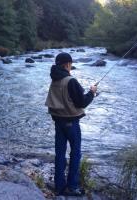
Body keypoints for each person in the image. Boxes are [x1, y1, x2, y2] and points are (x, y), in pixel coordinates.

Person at [45, 52, 97, 196]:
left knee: (60, 154)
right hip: (71, 123)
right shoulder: (70, 81)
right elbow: (82, 102)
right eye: (71, 63)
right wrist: (92, 93)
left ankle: (59, 186)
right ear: (67, 64)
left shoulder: (54, 79)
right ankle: (72, 186)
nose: (71, 66)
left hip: (58, 122)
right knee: (75, 154)